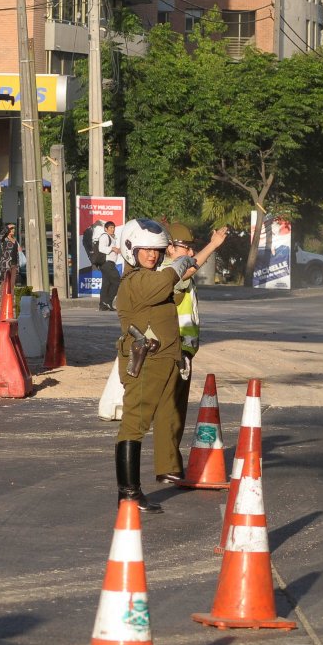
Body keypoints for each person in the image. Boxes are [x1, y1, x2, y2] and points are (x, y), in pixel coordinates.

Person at [113, 217, 196, 514]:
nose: (152, 255)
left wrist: (187, 261)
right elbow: (166, 282)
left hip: (163, 359)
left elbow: (176, 287)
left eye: (157, 250)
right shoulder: (137, 281)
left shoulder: (151, 278)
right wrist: (180, 263)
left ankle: (163, 470)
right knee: (134, 424)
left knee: (164, 416)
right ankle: (129, 493)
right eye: (146, 249)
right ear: (131, 250)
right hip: (145, 360)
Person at [156, 221, 229, 483]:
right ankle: (167, 467)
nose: (189, 253)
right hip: (172, 351)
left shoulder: (173, 269)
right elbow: (185, 273)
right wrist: (213, 246)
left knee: (176, 410)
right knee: (170, 410)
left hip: (182, 351)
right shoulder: (167, 271)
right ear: (170, 248)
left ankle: (170, 464)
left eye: (191, 248)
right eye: (185, 248)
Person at [97, 220, 121, 311]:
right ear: (106, 229)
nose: (113, 229)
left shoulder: (112, 238)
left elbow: (112, 250)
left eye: (113, 227)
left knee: (106, 284)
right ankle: (108, 301)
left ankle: (103, 305)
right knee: (117, 281)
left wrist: (117, 250)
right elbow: (101, 248)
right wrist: (112, 248)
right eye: (111, 228)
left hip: (108, 263)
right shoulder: (105, 236)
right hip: (107, 263)